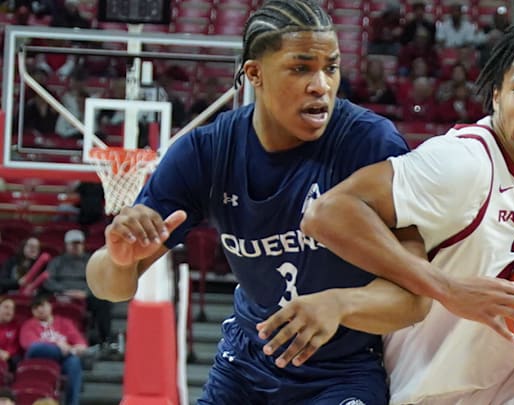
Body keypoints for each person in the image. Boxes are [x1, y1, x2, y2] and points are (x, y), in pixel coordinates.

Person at [85, 1, 429, 404]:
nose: (321, 84)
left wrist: (342, 303)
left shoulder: (369, 144)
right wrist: (119, 260)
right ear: (254, 74)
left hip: (341, 371)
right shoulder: (206, 153)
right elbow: (108, 287)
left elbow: (416, 295)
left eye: (331, 67)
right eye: (301, 68)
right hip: (246, 365)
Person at [300, 25, 514, 404]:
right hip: (425, 382)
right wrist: (447, 289)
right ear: (496, 96)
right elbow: (327, 213)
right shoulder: (460, 162)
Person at [44, 230, 113, 347]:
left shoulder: (92, 260)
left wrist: (86, 293)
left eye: (79, 244)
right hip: (61, 294)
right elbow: (47, 280)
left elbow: (100, 281)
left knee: (103, 302)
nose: (76, 247)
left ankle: (105, 339)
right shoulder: (57, 262)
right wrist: (64, 291)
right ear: (66, 245)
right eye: (73, 244)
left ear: (83, 244)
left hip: (85, 295)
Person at [19, 295, 87, 405]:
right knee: (37, 347)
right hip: (39, 357)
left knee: (74, 362)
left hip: (62, 361)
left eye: (42, 305)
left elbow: (82, 345)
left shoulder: (64, 322)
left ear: (50, 306)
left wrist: (69, 348)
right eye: (35, 308)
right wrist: (58, 345)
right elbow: (29, 345)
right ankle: (66, 353)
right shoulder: (29, 325)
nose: (39, 309)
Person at [0, 297, 21, 371]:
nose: (9, 311)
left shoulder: (17, 326)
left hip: (10, 359)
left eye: (12, 309)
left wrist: (8, 353)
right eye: (6, 307)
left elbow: (16, 346)